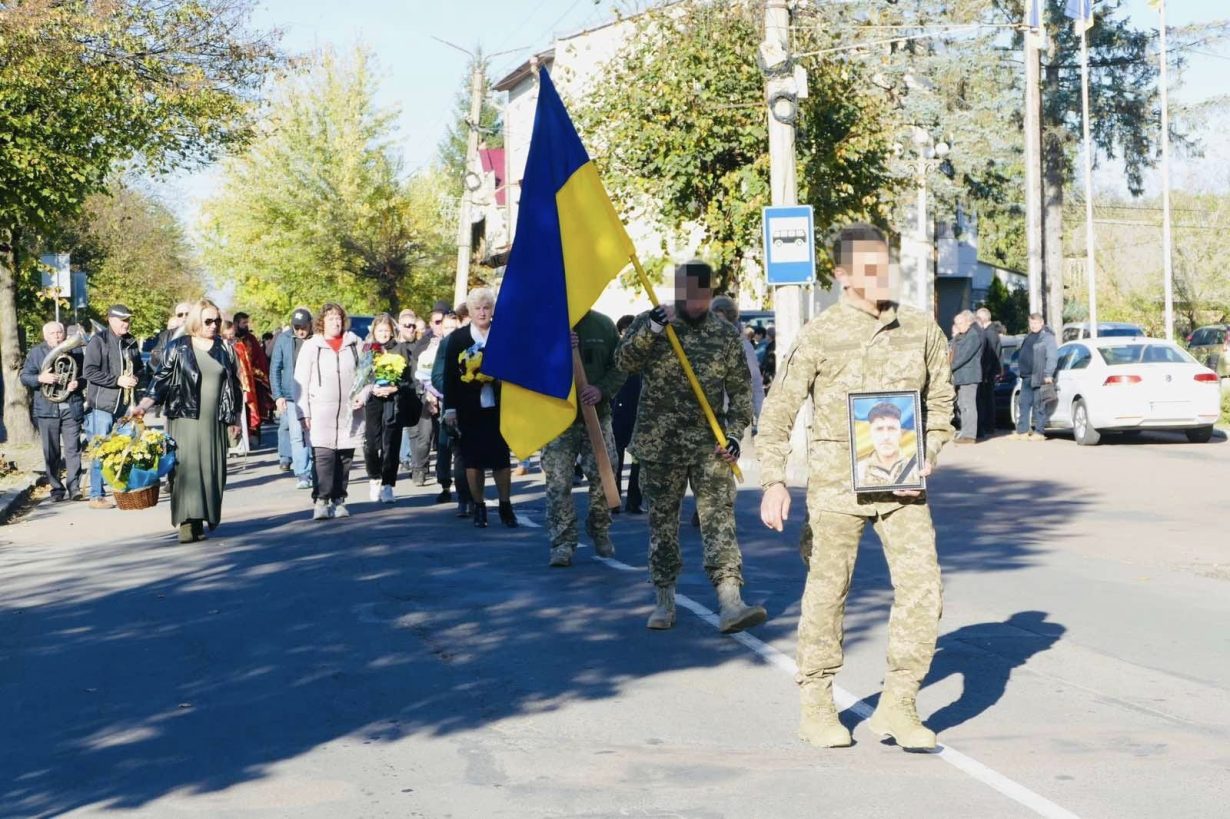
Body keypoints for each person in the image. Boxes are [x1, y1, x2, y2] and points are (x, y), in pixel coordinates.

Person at [757, 223, 954, 751]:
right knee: (828, 594)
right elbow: (778, 411)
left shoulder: (920, 329)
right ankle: (817, 702)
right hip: (835, 490)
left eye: (885, 263)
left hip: (903, 488)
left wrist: (929, 454)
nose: (881, 274)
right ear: (842, 275)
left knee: (924, 590)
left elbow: (940, 405)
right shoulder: (821, 333)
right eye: (868, 266)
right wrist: (773, 479)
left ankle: (899, 702)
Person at [613, 260, 765, 634]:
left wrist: (733, 434)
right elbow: (623, 362)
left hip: (708, 446)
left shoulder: (725, 334)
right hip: (658, 444)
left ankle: (730, 600)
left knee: (719, 521)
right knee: (662, 524)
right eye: (686, 295)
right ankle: (664, 598)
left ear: (710, 294)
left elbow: (742, 392)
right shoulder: (655, 323)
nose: (693, 303)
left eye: (700, 296)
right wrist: (651, 328)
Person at [132, 299, 243, 543]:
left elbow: (234, 386)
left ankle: (202, 516)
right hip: (185, 416)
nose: (214, 326)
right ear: (195, 321)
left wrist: (235, 418)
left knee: (212, 470)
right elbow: (160, 381)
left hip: (215, 421)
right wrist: (142, 406)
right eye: (208, 321)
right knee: (185, 470)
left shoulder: (225, 349)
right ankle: (186, 521)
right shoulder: (178, 346)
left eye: (217, 321)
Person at [542, 309, 626, 568]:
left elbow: (620, 367)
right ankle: (562, 543)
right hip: (558, 417)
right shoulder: (546, 324)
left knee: (605, 475)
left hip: (596, 416)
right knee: (558, 482)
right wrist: (556, 349)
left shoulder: (603, 324)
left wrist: (601, 390)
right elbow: (529, 367)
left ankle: (599, 526)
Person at [442, 287, 517, 528]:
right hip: (468, 406)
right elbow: (450, 377)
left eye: (486, 308)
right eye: (477, 308)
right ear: (470, 312)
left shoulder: (503, 334)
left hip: (500, 405)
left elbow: (514, 366)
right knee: (472, 459)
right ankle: (479, 507)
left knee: (501, 458)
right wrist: (450, 408)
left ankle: (505, 505)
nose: (482, 312)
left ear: (493, 310)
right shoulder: (458, 339)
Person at [293, 303, 365, 520]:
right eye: (331, 318)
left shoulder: (355, 344)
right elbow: (301, 382)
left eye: (339, 318)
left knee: (344, 458)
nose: (336, 322)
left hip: (349, 413)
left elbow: (367, 375)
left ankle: (339, 499)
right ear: (321, 322)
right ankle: (321, 500)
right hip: (320, 411)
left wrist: (364, 395)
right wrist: (303, 413)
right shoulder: (311, 347)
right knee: (323, 457)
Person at [82, 304, 145, 509]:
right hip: (102, 405)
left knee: (124, 448)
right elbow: (89, 372)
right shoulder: (98, 341)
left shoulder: (131, 341)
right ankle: (96, 495)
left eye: (128, 320)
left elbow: (141, 369)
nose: (126, 324)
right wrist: (117, 380)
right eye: (122, 320)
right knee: (100, 450)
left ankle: (121, 489)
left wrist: (136, 377)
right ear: (111, 320)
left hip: (124, 405)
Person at [20, 321, 85, 502]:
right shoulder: (36, 353)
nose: (57, 336)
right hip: (47, 409)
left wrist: (77, 383)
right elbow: (25, 377)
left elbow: (86, 375)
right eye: (52, 333)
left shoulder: (75, 351)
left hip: (71, 408)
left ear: (64, 334)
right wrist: (41, 378)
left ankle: (74, 488)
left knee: (73, 450)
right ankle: (57, 489)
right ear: (45, 336)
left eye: (59, 332)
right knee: (51, 452)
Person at [361, 313, 421, 503]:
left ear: (392, 331)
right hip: (373, 400)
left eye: (387, 330)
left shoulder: (400, 348)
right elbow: (361, 377)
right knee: (371, 444)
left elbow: (409, 379)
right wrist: (372, 388)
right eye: (380, 330)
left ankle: (388, 485)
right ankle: (374, 477)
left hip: (394, 401)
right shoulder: (368, 349)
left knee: (391, 444)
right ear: (373, 331)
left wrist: (395, 387)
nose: (384, 334)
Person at [431, 312, 473, 514]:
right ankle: (464, 497)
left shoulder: (478, 338)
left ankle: (476, 495)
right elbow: (437, 376)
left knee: (474, 453)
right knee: (458, 452)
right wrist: (454, 390)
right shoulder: (447, 344)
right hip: (454, 405)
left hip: (480, 404)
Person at [270, 307, 315, 488]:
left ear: (310, 325)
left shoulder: (316, 340)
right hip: (291, 395)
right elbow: (275, 368)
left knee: (312, 435)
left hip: (314, 394)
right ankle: (302, 474)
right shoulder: (284, 339)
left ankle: (316, 471)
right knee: (297, 435)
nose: (300, 331)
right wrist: (278, 395)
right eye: (297, 327)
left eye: (303, 327)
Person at [611, 315, 642, 515]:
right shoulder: (617, 350)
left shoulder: (643, 350)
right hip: (620, 407)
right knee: (617, 455)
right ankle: (614, 499)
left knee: (638, 457)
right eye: (624, 330)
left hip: (639, 408)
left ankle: (634, 500)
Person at [1011, 312, 1058, 441]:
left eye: (1036, 323)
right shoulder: (1029, 336)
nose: (1034, 325)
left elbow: (1052, 356)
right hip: (1026, 376)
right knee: (1023, 404)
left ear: (1042, 323)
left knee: (1039, 405)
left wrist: (1048, 373)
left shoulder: (1047, 337)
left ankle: (1039, 432)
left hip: (1040, 375)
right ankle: (1022, 431)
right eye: (1031, 323)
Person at [402, 308, 435, 485]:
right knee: (413, 435)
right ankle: (417, 467)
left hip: (423, 394)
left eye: (413, 326)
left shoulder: (423, 344)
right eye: (406, 326)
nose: (411, 329)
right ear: (400, 326)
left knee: (425, 435)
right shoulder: (396, 346)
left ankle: (419, 469)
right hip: (406, 395)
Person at [854, 402, 921, 488]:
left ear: (900, 433)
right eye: (879, 429)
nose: (886, 437)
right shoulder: (858, 472)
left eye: (892, 429)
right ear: (871, 434)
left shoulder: (916, 469)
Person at [232, 311, 274, 445]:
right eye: (243, 323)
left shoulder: (251, 339)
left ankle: (252, 436)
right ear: (236, 323)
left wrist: (257, 373)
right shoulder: (230, 338)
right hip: (234, 380)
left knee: (252, 408)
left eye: (247, 322)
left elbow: (259, 359)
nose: (246, 325)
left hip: (251, 381)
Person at [950, 310, 983, 444]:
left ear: (968, 322)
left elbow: (964, 356)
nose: (958, 326)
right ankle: (965, 432)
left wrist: (949, 368)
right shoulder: (962, 335)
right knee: (962, 405)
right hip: (961, 376)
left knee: (968, 405)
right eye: (956, 324)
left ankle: (969, 435)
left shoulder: (973, 335)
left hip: (969, 376)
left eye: (961, 323)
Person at [975, 307, 1002, 438]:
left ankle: (989, 426)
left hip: (988, 372)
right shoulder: (990, 332)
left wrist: (985, 373)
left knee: (987, 400)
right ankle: (988, 425)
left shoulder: (989, 333)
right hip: (989, 371)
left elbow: (990, 355)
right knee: (987, 399)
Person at [148, 302, 191, 373]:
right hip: (172, 378)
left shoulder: (200, 334)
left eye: (187, 314)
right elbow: (156, 356)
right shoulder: (165, 335)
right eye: (180, 315)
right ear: (176, 317)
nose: (184, 317)